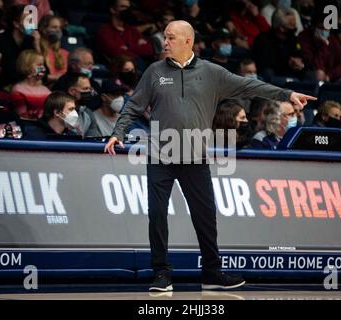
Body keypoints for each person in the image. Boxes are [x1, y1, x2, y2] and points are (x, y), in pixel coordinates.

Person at [104, 20, 316, 292]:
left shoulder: (212, 73)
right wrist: (118, 133)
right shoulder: (154, 72)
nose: (164, 43)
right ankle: (161, 273)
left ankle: (212, 272)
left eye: (170, 38)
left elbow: (251, 87)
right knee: (157, 214)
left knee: (205, 216)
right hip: (161, 156)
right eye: (165, 38)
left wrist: (287, 93)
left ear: (187, 41)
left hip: (195, 157)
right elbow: (133, 107)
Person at [10, 49, 51, 121]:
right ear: (26, 66)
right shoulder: (18, 90)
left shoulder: (46, 90)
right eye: (39, 65)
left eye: (43, 64)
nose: (43, 68)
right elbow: (22, 116)